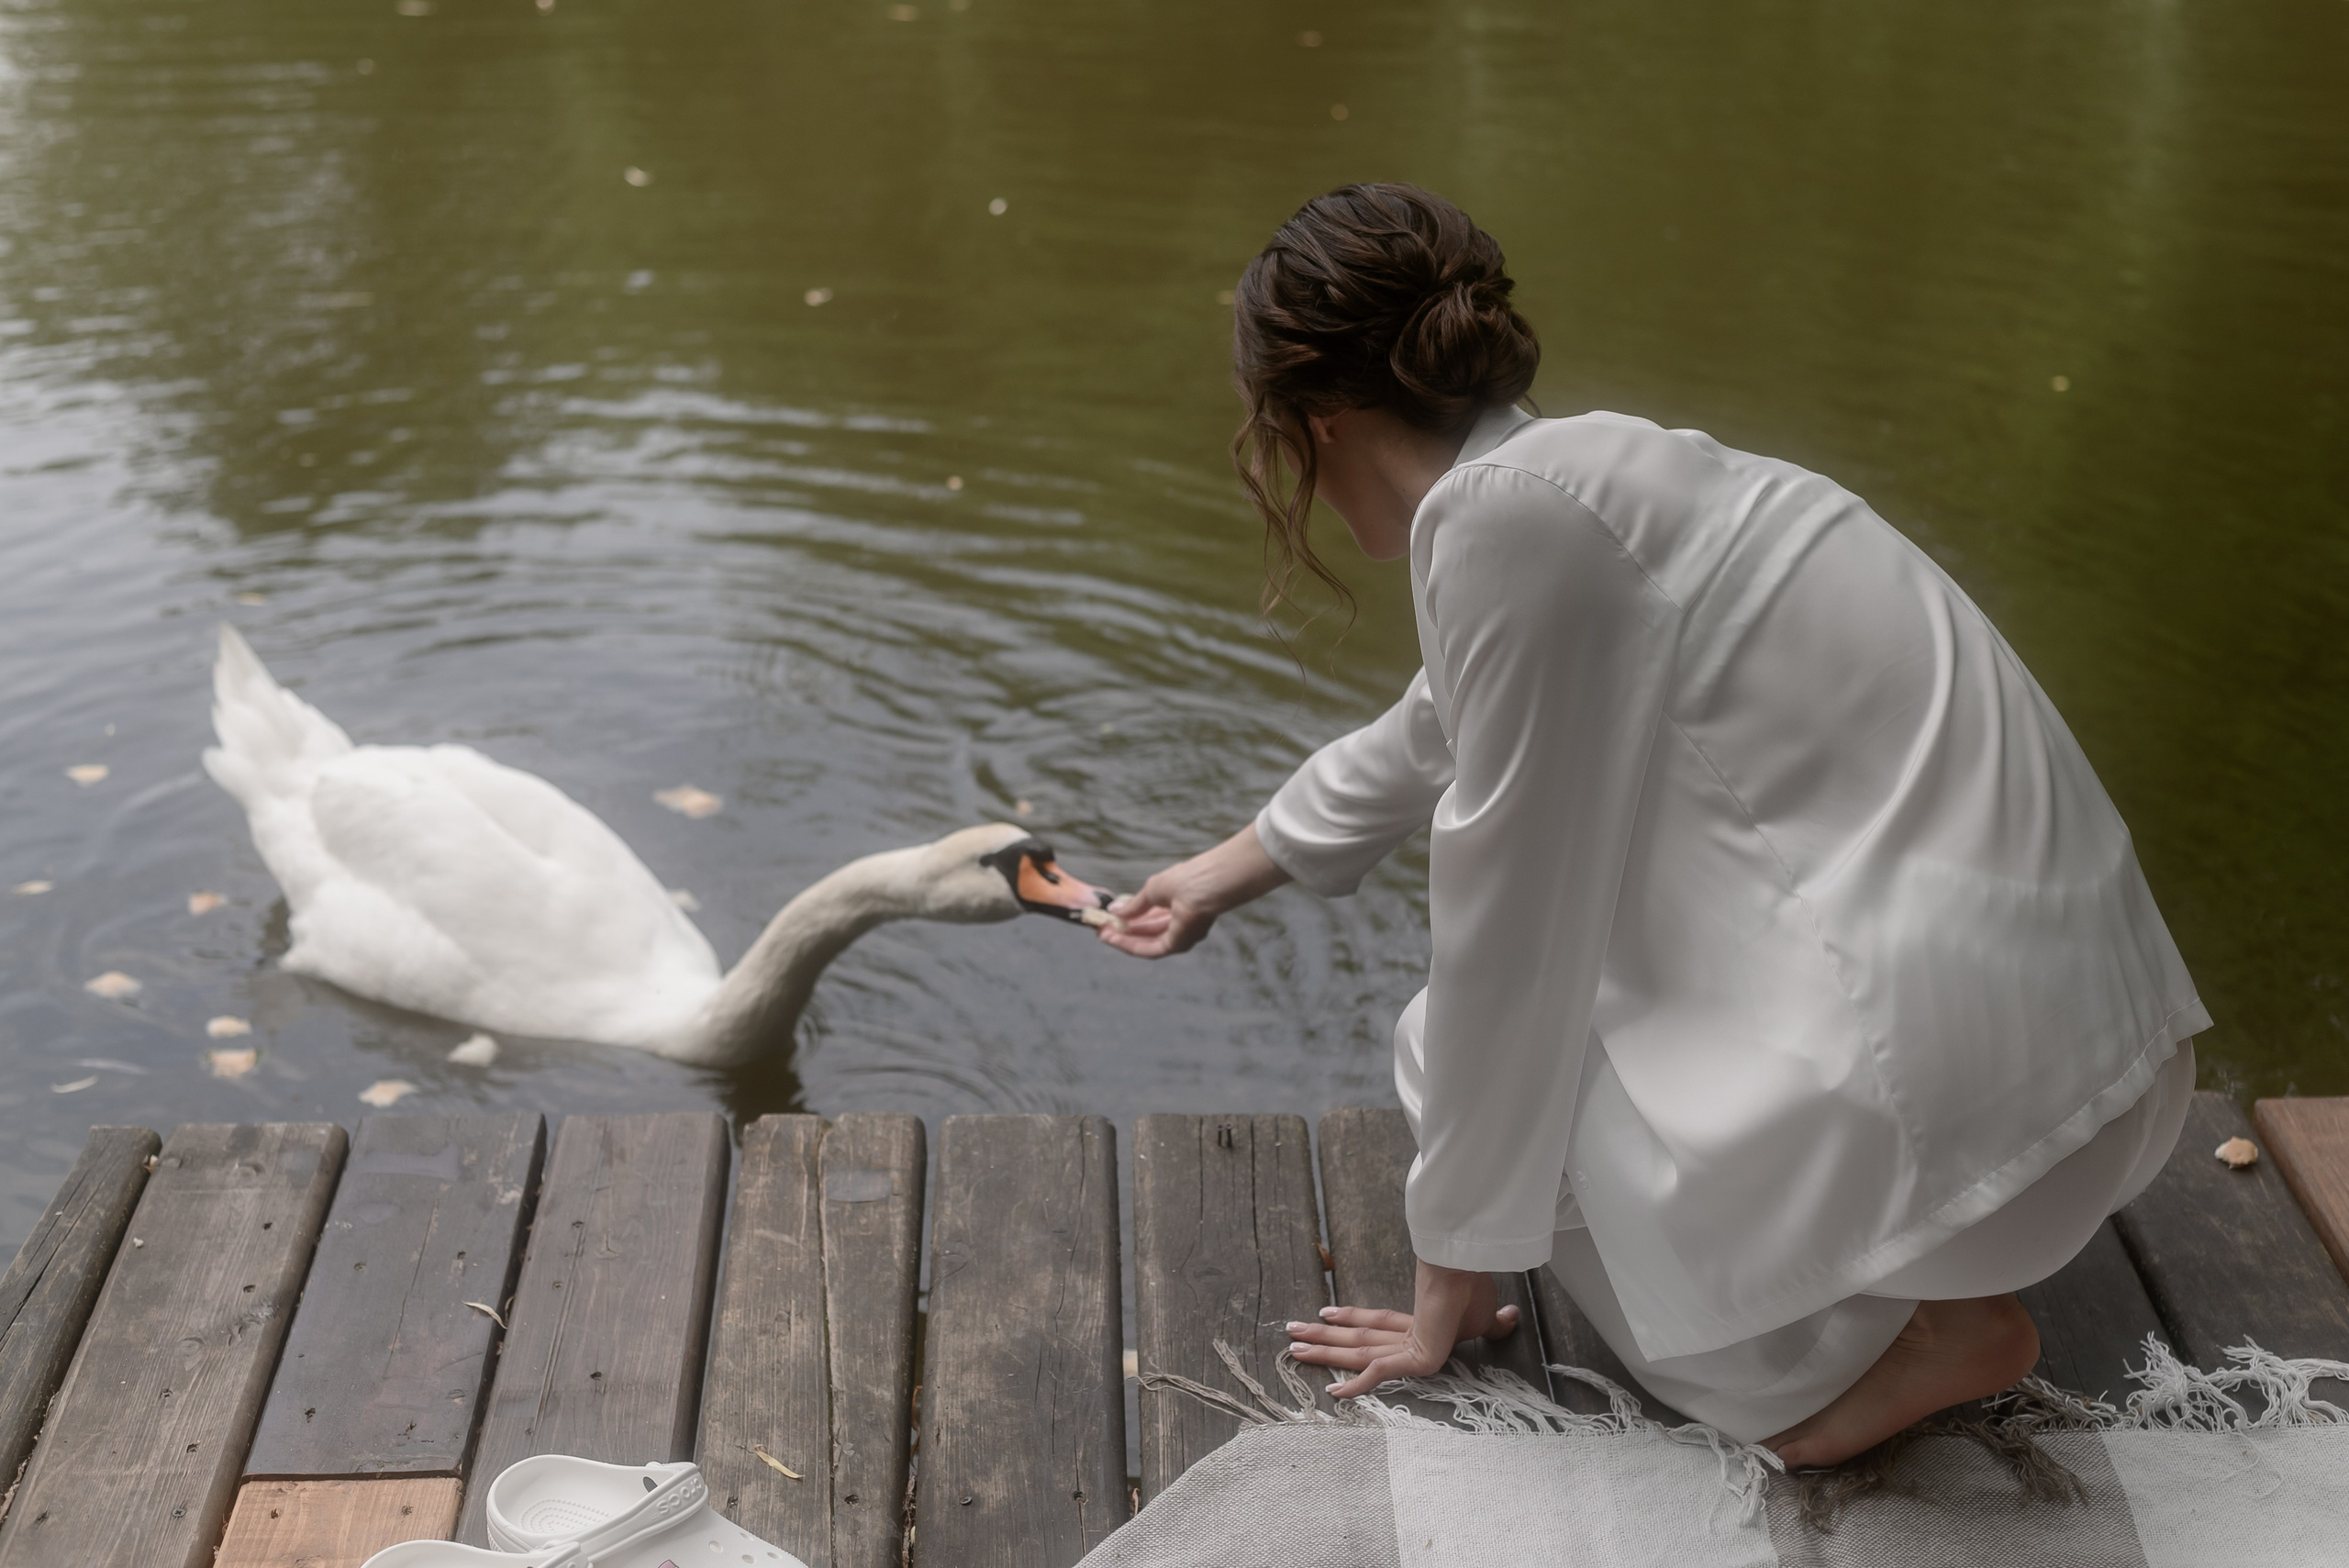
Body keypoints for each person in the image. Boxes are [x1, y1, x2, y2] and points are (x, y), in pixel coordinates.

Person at [1099, 183, 2208, 1467]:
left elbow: (1509, 932)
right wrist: (1220, 874)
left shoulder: (1504, 518)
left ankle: (1889, 1346)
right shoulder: (1591, 475)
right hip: (2091, 1058)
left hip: (1972, 1106)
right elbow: (1435, 725)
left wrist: (1446, 1282)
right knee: (1588, 1018)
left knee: (1444, 1044)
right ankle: (1918, 1286)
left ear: (1317, 419)